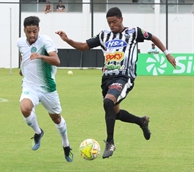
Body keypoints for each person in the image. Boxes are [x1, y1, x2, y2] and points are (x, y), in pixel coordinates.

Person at [55, 7, 176, 159]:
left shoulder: (133, 32)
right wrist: (67, 40)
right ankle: (142, 121)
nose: (112, 25)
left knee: (108, 102)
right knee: (115, 113)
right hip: (107, 79)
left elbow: (153, 38)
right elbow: (84, 47)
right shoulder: (103, 35)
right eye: (109, 22)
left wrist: (167, 54)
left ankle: (110, 142)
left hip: (124, 77)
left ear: (121, 19)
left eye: (114, 22)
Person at [17, 16, 73, 162]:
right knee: (25, 108)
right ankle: (38, 132)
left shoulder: (46, 41)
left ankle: (66, 145)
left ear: (38, 30)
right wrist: (22, 69)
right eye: (28, 32)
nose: (32, 35)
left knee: (56, 118)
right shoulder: (20, 43)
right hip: (30, 86)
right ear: (24, 30)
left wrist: (41, 56)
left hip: (47, 88)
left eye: (34, 31)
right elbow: (23, 57)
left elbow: (57, 61)